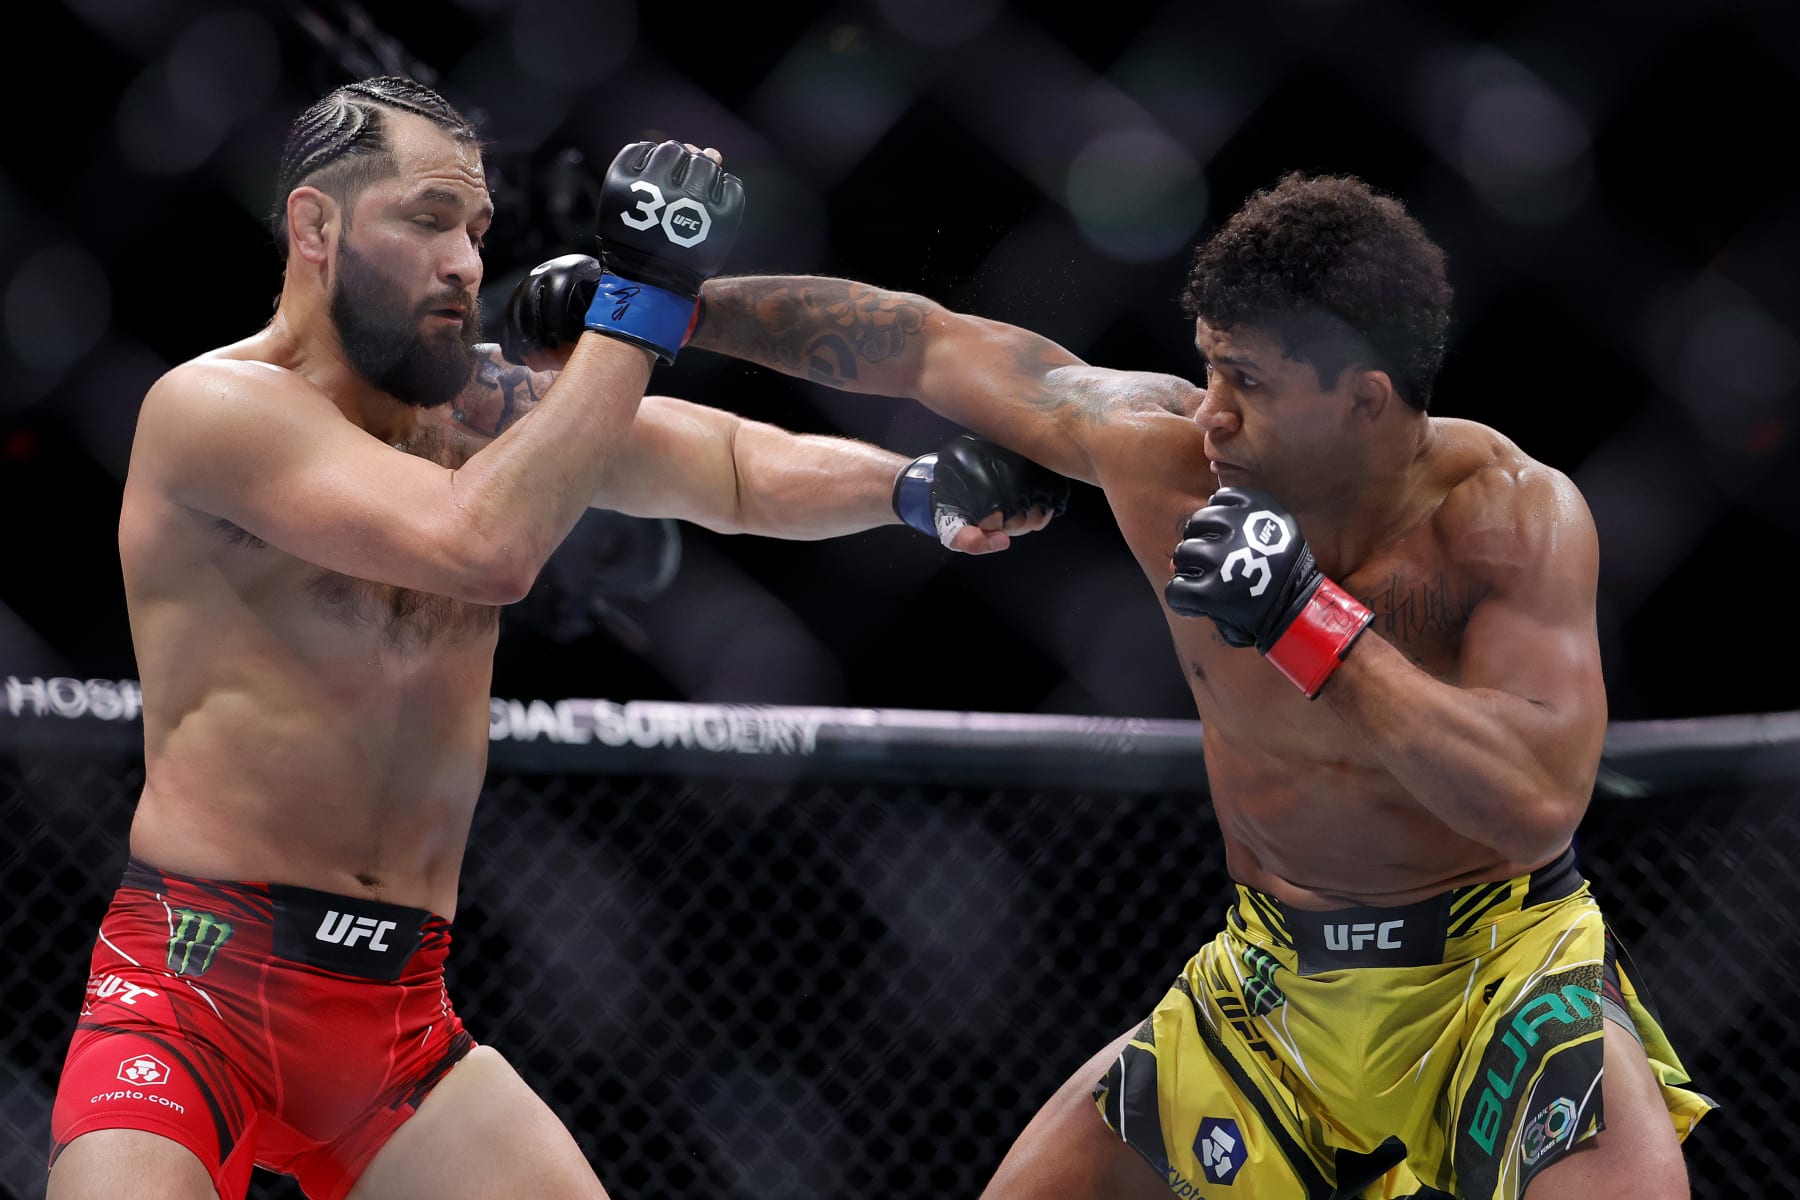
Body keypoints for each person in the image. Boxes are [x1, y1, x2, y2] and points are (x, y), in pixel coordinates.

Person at [582, 172, 1714, 1197]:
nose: (1211, 409)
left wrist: (1311, 626)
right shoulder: (1163, 454)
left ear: (1367, 402)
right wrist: (666, 305)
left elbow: (1535, 804)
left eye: (1252, 382)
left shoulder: (1510, 519)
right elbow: (925, 346)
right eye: (1211, 362)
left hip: (1494, 971)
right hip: (1271, 981)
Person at [46, 76, 1063, 1200]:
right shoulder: (214, 409)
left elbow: (719, 464)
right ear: (315, 227)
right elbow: (482, 546)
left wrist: (914, 488)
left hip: (398, 1021)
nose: (467, 264)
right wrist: (639, 304)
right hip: (194, 993)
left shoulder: (474, 413)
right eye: (428, 219)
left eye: (476, 230)